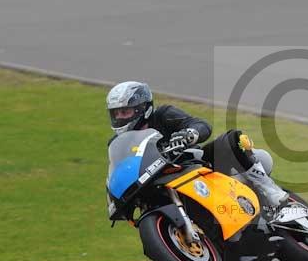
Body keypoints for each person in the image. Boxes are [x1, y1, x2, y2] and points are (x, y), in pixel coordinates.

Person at [106, 81, 288, 208]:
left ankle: (269, 189)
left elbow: (200, 124)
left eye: (125, 111)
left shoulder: (163, 115)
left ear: (142, 108)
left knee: (233, 139)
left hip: (198, 166)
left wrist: (190, 134)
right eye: (116, 114)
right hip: (160, 183)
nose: (120, 117)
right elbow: (118, 169)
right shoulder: (116, 143)